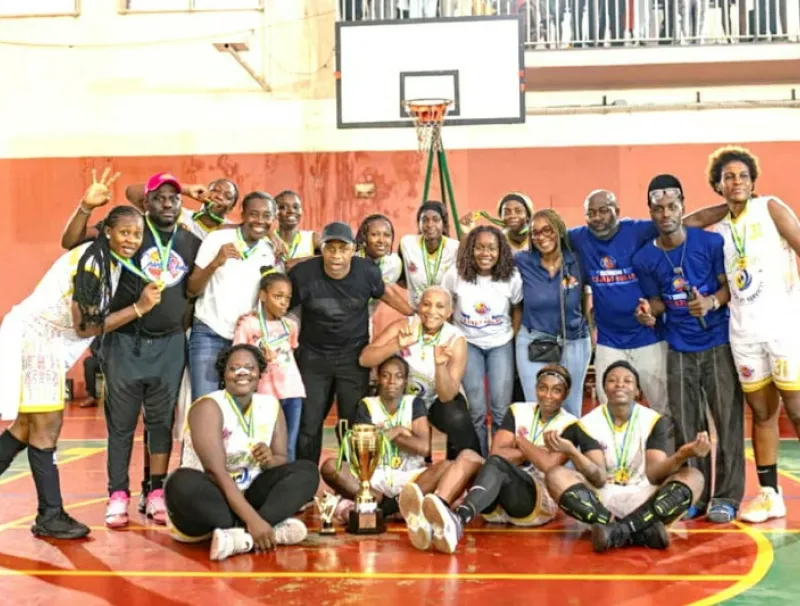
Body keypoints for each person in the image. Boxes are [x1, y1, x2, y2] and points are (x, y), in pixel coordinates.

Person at [0, 204, 149, 539]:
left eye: (137, 234)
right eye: (125, 232)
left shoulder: (101, 253)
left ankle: (50, 514)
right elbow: (86, 327)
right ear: (108, 231)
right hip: (36, 342)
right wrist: (138, 309)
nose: (132, 239)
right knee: (45, 429)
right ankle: (50, 515)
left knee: (25, 428)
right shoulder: (93, 266)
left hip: (45, 340)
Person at [632, 174, 745, 524]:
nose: (665, 214)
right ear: (650, 212)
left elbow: (728, 290)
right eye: (658, 208)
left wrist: (711, 302)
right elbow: (657, 301)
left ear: (682, 206)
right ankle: (695, 491)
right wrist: (649, 313)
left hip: (717, 343)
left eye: (671, 206)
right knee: (687, 425)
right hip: (678, 347)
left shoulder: (709, 244)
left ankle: (726, 497)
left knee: (727, 423)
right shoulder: (644, 259)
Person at [97, 173, 201, 529]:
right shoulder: (132, 233)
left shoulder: (190, 241)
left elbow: (192, 290)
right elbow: (130, 191)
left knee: (161, 423)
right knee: (122, 425)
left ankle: (154, 492)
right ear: (147, 203)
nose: (168, 203)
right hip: (126, 342)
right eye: (159, 197)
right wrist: (184, 186)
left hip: (170, 344)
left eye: (174, 198)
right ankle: (117, 495)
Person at [411, 365, 606, 554]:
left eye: (556, 390)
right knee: (468, 456)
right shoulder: (518, 410)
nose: (548, 395)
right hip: (495, 490)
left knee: (498, 466)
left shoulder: (570, 424)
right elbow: (497, 452)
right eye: (543, 388)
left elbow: (548, 465)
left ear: (565, 394)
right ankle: (438, 512)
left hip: (535, 501)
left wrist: (519, 441)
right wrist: (534, 450)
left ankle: (459, 520)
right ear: (536, 388)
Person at [704, 146, 800, 523]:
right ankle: (769, 494)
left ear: (753, 180)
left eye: (743, 176)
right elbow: (690, 223)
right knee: (762, 413)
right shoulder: (719, 230)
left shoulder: (772, 207)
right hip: (743, 331)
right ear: (718, 185)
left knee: (795, 409)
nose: (736, 182)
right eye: (728, 177)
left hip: (783, 328)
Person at [163, 344, 318, 561]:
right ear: (224, 375)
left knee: (307, 471)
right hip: (210, 501)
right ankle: (263, 528)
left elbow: (281, 460)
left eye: (249, 367)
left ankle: (240, 538)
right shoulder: (208, 407)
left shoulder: (271, 406)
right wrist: (253, 521)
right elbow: (215, 472)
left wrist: (270, 460)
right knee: (179, 482)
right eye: (234, 368)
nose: (242, 372)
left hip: (250, 495)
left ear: (259, 373)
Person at [546, 361, 710, 552]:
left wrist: (682, 455)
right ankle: (641, 530)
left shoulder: (655, 421)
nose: (620, 384)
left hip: (646, 498)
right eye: (612, 381)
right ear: (604, 389)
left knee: (694, 477)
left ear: (637, 391)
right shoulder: (588, 423)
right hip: (601, 502)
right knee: (555, 476)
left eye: (627, 381)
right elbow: (598, 478)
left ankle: (616, 532)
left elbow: (655, 475)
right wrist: (573, 453)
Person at [289, 222, 414, 465]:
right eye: (330, 248)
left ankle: (352, 478)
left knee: (353, 421)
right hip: (313, 358)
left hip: (353, 358)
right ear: (321, 249)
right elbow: (283, 305)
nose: (336, 256)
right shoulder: (303, 275)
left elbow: (383, 292)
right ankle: (305, 478)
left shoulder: (367, 271)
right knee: (309, 422)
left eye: (343, 249)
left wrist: (412, 313)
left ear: (353, 250)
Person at [319, 356, 447, 523]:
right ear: (378, 378)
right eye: (386, 375)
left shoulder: (414, 403)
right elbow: (364, 451)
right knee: (330, 467)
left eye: (398, 376)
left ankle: (386, 507)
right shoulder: (367, 405)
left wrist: (388, 434)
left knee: (446, 467)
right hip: (374, 478)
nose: (392, 381)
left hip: (409, 478)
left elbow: (423, 448)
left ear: (405, 380)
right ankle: (382, 502)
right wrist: (398, 432)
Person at [359, 286, 481, 460]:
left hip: (436, 402)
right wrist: (397, 344)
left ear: (449, 312)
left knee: (456, 417)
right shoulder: (403, 326)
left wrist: (440, 366)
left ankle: (467, 470)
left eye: (439, 307)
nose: (432, 311)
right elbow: (365, 359)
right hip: (403, 401)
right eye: (426, 304)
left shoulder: (455, 338)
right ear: (419, 306)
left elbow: (447, 396)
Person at [186, 191, 279, 399]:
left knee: (241, 404)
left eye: (266, 216)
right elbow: (192, 289)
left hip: (246, 338)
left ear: (273, 219)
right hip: (209, 332)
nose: (260, 221)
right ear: (243, 214)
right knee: (205, 401)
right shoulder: (217, 238)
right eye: (254, 214)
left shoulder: (270, 250)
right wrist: (216, 262)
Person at [441, 225, 523, 456]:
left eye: (491, 248)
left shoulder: (511, 277)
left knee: (499, 410)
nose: (485, 253)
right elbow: (446, 304)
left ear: (500, 251)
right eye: (479, 248)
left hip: (500, 345)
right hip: (469, 345)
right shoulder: (455, 274)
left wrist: (512, 337)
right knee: (475, 410)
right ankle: (478, 460)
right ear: (470, 249)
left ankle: (497, 461)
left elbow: (517, 308)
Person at [515, 209, 591, 418]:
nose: (541, 237)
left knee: (570, 408)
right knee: (536, 407)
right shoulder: (522, 261)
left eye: (548, 230)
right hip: (534, 340)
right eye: (535, 232)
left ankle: (569, 450)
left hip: (574, 340)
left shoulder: (577, 261)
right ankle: (536, 450)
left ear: (559, 230)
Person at [234, 267, 304, 462]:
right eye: (278, 296)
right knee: (262, 445)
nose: (283, 302)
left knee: (288, 446)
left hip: (292, 391)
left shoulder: (291, 326)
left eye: (287, 298)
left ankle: (286, 489)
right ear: (263, 295)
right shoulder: (248, 324)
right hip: (263, 394)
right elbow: (238, 357)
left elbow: (291, 350)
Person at [125, 176, 239, 240]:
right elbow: (132, 193)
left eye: (227, 196)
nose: (219, 196)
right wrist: (185, 189)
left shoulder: (234, 233)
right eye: (215, 190)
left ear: (231, 208)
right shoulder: (178, 215)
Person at [399, 201, 460, 308]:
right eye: (425, 220)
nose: (430, 224)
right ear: (419, 223)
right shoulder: (407, 244)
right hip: (416, 313)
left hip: (444, 314)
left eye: (436, 220)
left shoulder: (455, 248)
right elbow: (399, 277)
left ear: (444, 224)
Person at [355, 213, 404, 319]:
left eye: (387, 235)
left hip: (364, 322)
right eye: (374, 234)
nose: (381, 240)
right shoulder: (350, 260)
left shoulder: (394, 264)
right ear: (364, 237)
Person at [459, 191, 534, 254]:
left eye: (518, 211)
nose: (512, 216)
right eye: (506, 212)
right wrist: (466, 233)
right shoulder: (498, 239)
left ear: (528, 215)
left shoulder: (537, 238)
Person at [274, 190, 319, 268]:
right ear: (275, 213)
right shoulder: (269, 239)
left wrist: (299, 261)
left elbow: (333, 256)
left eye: (296, 207)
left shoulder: (311, 238)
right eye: (283, 207)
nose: (291, 211)